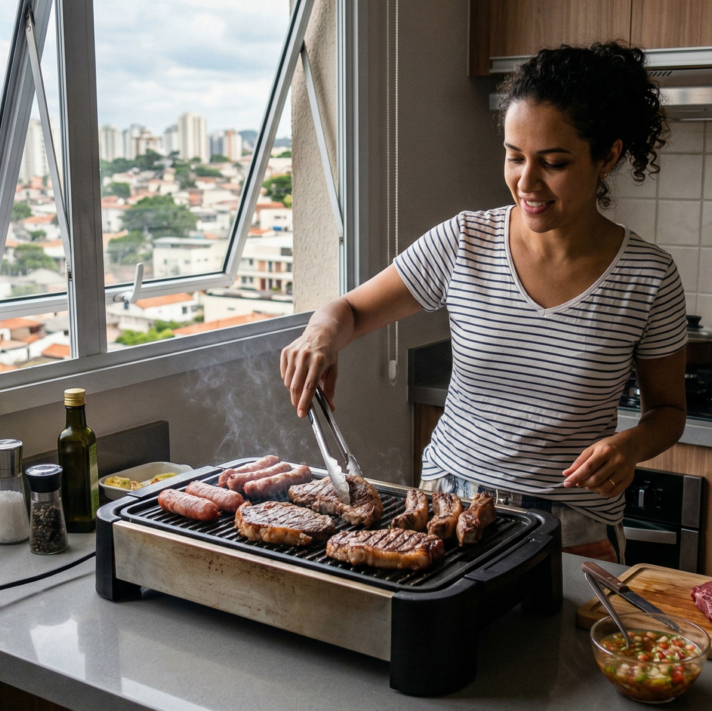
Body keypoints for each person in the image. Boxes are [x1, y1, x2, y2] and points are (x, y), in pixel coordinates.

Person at [280, 41, 687, 562]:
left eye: (554, 162)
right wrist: (320, 335)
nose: (527, 181)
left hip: (574, 527)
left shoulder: (648, 276)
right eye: (514, 157)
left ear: (607, 154)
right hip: (446, 510)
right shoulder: (465, 240)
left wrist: (630, 446)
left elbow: (668, 411)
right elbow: (350, 311)